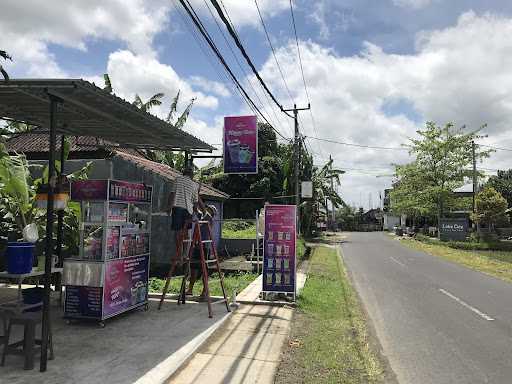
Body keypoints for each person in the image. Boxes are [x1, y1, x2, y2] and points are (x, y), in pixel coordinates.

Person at [167, 167, 204, 262]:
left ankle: (179, 253)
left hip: (178, 208)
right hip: (188, 210)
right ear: (191, 176)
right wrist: (198, 212)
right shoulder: (194, 185)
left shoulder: (178, 179)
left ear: (183, 173)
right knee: (187, 232)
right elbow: (195, 204)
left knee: (178, 232)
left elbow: (172, 194)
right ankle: (185, 255)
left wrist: (168, 208)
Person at [186, 204, 217, 298]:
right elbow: (197, 210)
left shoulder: (209, 218)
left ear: (212, 212)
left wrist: (198, 199)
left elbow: (202, 211)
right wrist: (193, 201)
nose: (206, 209)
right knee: (193, 268)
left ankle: (205, 291)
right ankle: (190, 289)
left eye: (209, 209)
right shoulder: (202, 217)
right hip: (197, 245)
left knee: (204, 270)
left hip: (204, 246)